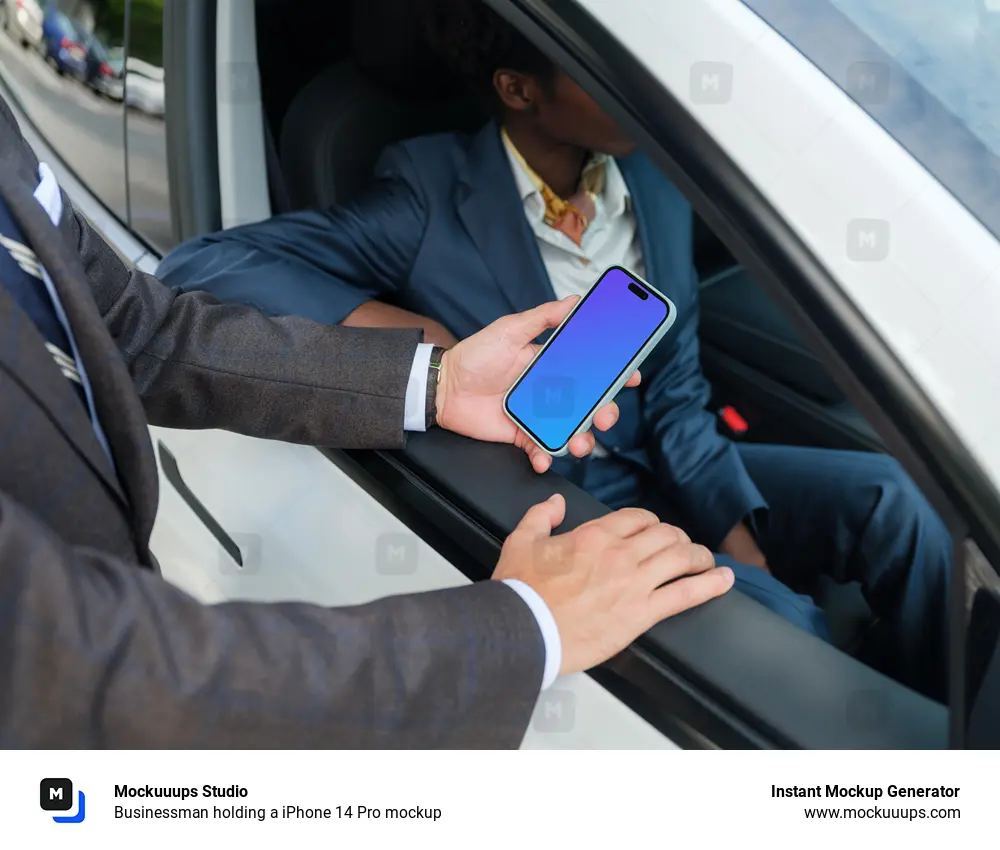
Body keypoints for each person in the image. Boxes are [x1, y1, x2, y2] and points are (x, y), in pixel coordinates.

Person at [158, 0, 953, 701]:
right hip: (561, 492)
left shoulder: (656, 182)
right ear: (519, 90)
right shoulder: (429, 190)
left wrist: (742, 543)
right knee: (786, 628)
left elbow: (676, 395)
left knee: (900, 505)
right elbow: (204, 266)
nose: (638, 87)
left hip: (661, 455)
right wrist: (428, 348)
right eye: (601, 72)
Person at [0, 90, 737, 748]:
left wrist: (433, 379)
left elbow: (134, 327)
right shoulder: (428, 188)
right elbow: (102, 676)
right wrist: (525, 628)